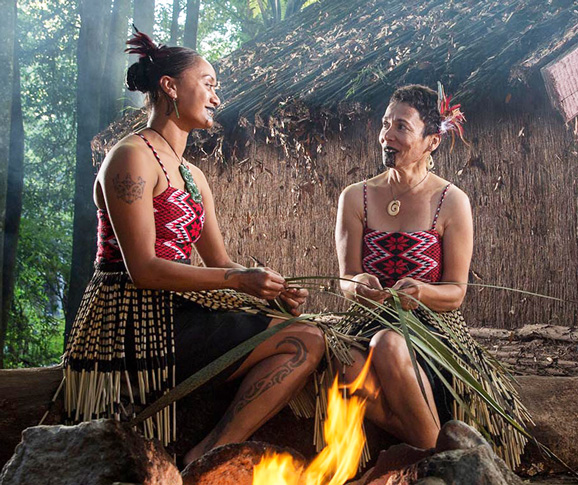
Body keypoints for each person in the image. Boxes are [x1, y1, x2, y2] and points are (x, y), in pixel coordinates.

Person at [62, 30, 324, 465]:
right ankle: (209, 457)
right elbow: (144, 269)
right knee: (305, 339)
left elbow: (220, 262)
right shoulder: (132, 157)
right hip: (135, 321)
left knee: (308, 333)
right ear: (169, 86)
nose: (216, 98)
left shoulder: (193, 176)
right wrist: (238, 280)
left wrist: (273, 291)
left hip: (179, 310)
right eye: (208, 82)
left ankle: (210, 451)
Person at [333, 84, 530, 466]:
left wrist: (421, 292)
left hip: (431, 328)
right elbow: (346, 279)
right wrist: (358, 285)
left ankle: (432, 459)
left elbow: (456, 293)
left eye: (402, 127)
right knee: (335, 359)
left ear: (432, 141)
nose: (386, 135)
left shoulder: (451, 200)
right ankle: (440, 452)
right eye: (385, 123)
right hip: (367, 320)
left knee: (389, 345)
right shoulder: (355, 196)